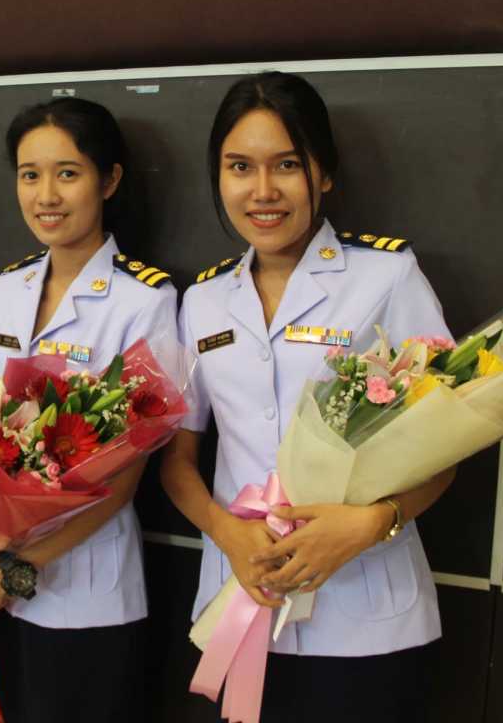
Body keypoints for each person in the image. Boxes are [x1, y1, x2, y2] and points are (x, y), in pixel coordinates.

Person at [160, 71, 454, 722]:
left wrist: (369, 525)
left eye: (287, 165)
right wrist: (226, 533)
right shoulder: (203, 300)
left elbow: (447, 449)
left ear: (323, 173)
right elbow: (178, 461)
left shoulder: (386, 276)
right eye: (240, 167)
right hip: (242, 595)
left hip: (364, 612)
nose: (262, 190)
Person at [0, 97, 178, 723]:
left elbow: (124, 475)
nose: (46, 195)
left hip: (84, 590)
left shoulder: (144, 300)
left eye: (67, 173)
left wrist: (15, 570)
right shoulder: (7, 289)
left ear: (109, 180)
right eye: (30, 175)